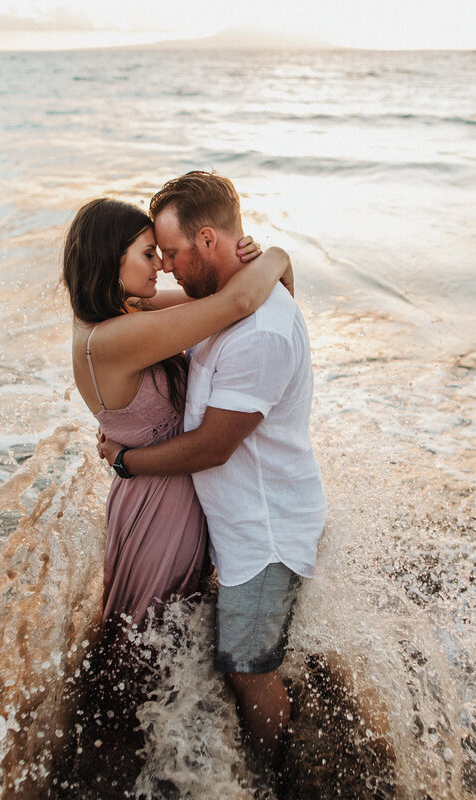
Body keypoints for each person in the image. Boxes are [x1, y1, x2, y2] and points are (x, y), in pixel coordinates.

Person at [96, 171, 327, 772]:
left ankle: (273, 774)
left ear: (206, 240)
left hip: (265, 536)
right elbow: (155, 308)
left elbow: (212, 447)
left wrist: (126, 460)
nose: (166, 266)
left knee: (250, 671)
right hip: (238, 524)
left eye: (169, 252)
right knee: (232, 660)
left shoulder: (260, 333)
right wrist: (277, 258)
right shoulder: (218, 306)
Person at [62, 197, 291, 632]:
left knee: (163, 643)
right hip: (158, 507)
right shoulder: (116, 338)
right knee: (145, 652)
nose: (160, 267)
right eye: (149, 255)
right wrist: (280, 256)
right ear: (112, 261)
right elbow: (237, 302)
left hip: (160, 493)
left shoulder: (122, 313)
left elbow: (213, 294)